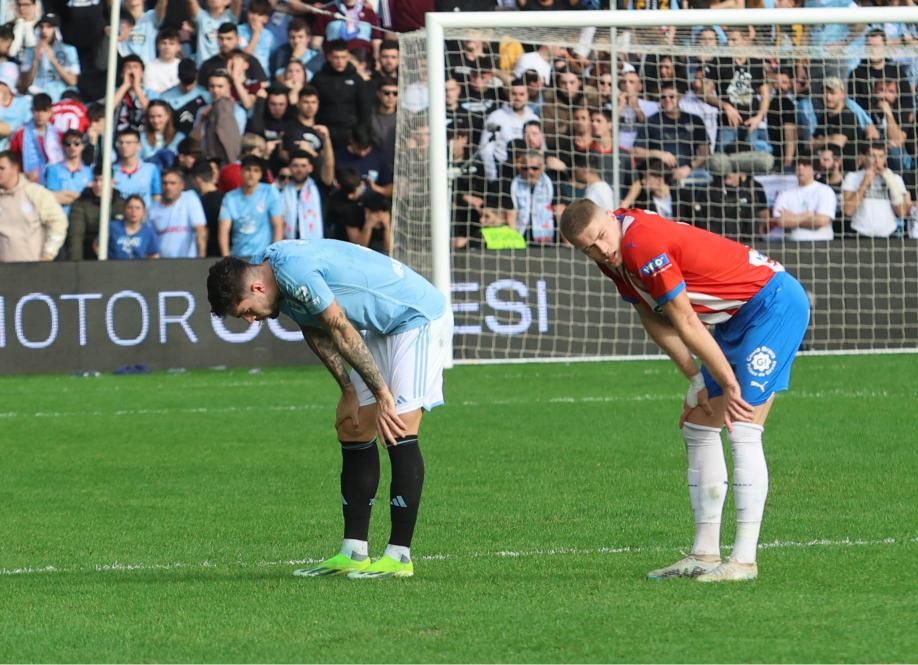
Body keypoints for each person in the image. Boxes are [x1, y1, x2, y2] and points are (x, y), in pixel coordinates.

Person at [559, 200, 810, 582]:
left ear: (610, 216)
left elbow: (685, 319)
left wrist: (726, 381)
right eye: (588, 248)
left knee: (741, 422)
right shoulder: (613, 256)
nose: (600, 251)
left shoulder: (642, 243)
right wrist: (695, 379)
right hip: (736, 318)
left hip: (773, 305)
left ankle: (743, 561)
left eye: (601, 238)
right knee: (697, 422)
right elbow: (651, 316)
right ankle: (705, 555)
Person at [205, 238, 453, 579]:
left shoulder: (294, 272)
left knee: (397, 427)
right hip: (384, 327)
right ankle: (354, 551)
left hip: (416, 317)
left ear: (257, 286)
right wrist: (349, 389)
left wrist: (382, 394)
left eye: (246, 309)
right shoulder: (276, 280)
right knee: (351, 425)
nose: (250, 320)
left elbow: (338, 325)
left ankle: (399, 556)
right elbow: (315, 329)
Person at [0, 148, 67, 262]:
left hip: (33, 269)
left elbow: (58, 222)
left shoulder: (36, 193)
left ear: (15, 168)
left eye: (2, 168)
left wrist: (48, 254)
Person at [217, 154, 283, 257]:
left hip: (263, 256)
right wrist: (226, 258)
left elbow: (278, 225)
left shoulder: (269, 192)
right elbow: (224, 230)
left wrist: (273, 256)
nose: (251, 174)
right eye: (248, 170)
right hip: (238, 256)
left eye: (256, 170)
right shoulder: (230, 198)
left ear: (260, 174)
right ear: (241, 172)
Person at [842, 142, 910, 238]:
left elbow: (902, 213)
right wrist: (864, 183)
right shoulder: (852, 177)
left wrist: (891, 183)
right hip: (860, 234)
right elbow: (848, 211)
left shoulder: (895, 179)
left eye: (881, 156)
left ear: (885, 158)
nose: (877, 160)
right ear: (864, 157)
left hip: (889, 234)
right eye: (872, 156)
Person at [767, 156, 837, 241]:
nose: (800, 167)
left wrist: (793, 217)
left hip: (822, 245)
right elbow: (781, 222)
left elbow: (822, 221)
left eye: (805, 165)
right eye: (798, 164)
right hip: (793, 247)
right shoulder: (785, 194)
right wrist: (807, 215)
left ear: (814, 169)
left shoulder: (825, 190)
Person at [147, 167, 207, 257]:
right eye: (165, 183)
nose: (168, 187)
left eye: (173, 183)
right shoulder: (152, 209)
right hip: (162, 264)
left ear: (182, 185)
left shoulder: (190, 199)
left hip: (188, 263)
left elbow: (200, 229)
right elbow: (149, 239)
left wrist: (201, 257)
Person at [109, 194, 160, 259]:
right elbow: (97, 245)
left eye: (138, 208)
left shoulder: (149, 232)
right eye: (130, 207)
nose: (133, 211)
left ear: (143, 211)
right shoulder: (113, 227)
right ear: (124, 209)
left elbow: (154, 255)